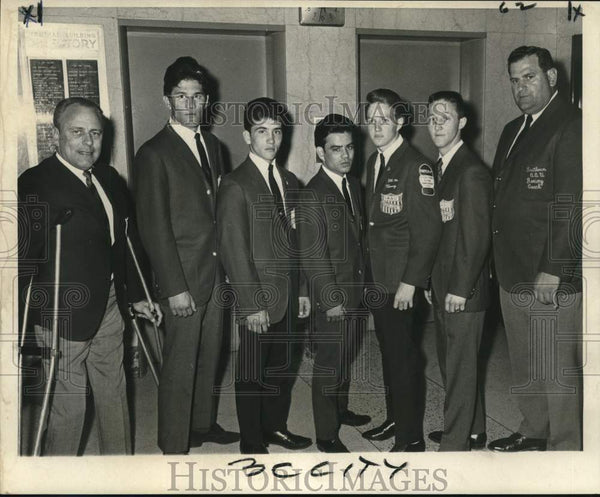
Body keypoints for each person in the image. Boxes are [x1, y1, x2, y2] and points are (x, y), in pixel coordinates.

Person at [18, 97, 162, 455]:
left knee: (114, 393)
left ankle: (118, 472)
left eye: (95, 133)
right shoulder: (35, 183)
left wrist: (136, 295)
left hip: (110, 306)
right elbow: (19, 262)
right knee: (70, 409)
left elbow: (125, 242)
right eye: (77, 132)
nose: (88, 142)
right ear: (57, 136)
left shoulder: (110, 178)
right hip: (61, 314)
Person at [134, 56, 238, 455]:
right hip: (182, 278)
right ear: (167, 101)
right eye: (181, 96)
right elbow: (154, 228)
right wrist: (174, 288)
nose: (190, 104)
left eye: (197, 97)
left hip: (213, 272)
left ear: (206, 100)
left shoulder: (213, 145)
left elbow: (220, 211)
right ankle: (173, 444)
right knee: (180, 364)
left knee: (209, 356)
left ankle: (202, 425)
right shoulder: (154, 153)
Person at [488, 46, 582, 452]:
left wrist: (555, 267)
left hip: (549, 274)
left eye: (529, 77)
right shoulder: (513, 129)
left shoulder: (572, 125)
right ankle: (534, 429)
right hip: (512, 268)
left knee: (556, 368)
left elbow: (573, 202)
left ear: (552, 77)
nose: (521, 87)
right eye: (514, 79)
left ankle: (565, 450)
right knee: (526, 360)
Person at [217, 97, 311, 454]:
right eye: (262, 131)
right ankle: (252, 441)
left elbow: (297, 242)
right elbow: (233, 249)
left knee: (282, 369)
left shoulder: (290, 181)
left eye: (276, 131)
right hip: (258, 299)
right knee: (252, 372)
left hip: (288, 293)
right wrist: (251, 304)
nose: (271, 139)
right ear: (246, 136)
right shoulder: (235, 184)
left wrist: (302, 289)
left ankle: (275, 427)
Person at [361, 88, 442, 452]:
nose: (376, 126)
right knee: (389, 353)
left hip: (401, 284)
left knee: (405, 358)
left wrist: (412, 282)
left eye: (384, 119)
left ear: (400, 122)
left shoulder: (416, 165)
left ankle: (410, 437)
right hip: (379, 279)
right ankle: (395, 419)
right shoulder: (373, 162)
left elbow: (428, 232)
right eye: (371, 119)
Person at [299, 114, 371, 453]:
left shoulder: (353, 185)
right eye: (335, 149)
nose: (345, 155)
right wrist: (330, 300)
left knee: (345, 356)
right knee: (329, 363)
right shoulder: (313, 194)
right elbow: (313, 256)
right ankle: (326, 434)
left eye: (349, 148)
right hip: (334, 298)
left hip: (354, 292)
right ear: (319, 152)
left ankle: (341, 410)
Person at [424, 91, 492, 451]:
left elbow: (476, 238)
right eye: (432, 118)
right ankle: (473, 429)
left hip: (462, 290)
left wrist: (460, 288)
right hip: (443, 283)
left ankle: (454, 444)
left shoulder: (471, 171)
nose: (436, 125)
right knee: (455, 365)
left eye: (445, 118)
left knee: (460, 369)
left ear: (462, 123)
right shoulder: (439, 167)